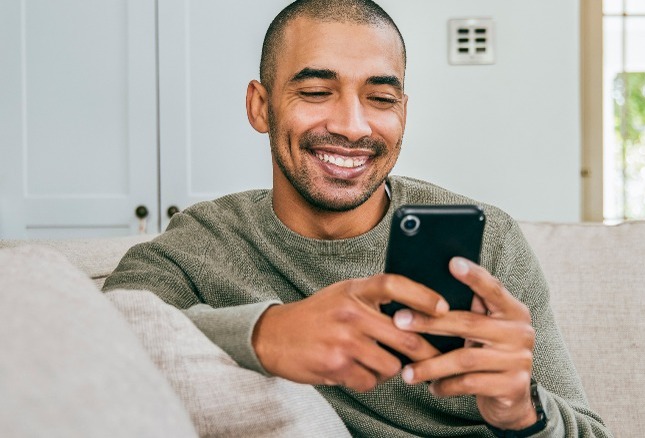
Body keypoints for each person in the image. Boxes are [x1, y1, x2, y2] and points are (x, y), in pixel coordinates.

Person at [103, 0, 612, 436]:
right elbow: (98, 336)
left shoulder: (489, 240)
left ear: (403, 112)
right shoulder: (205, 242)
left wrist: (520, 409)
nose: (352, 126)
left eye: (381, 98)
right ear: (261, 107)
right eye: (316, 92)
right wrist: (269, 333)